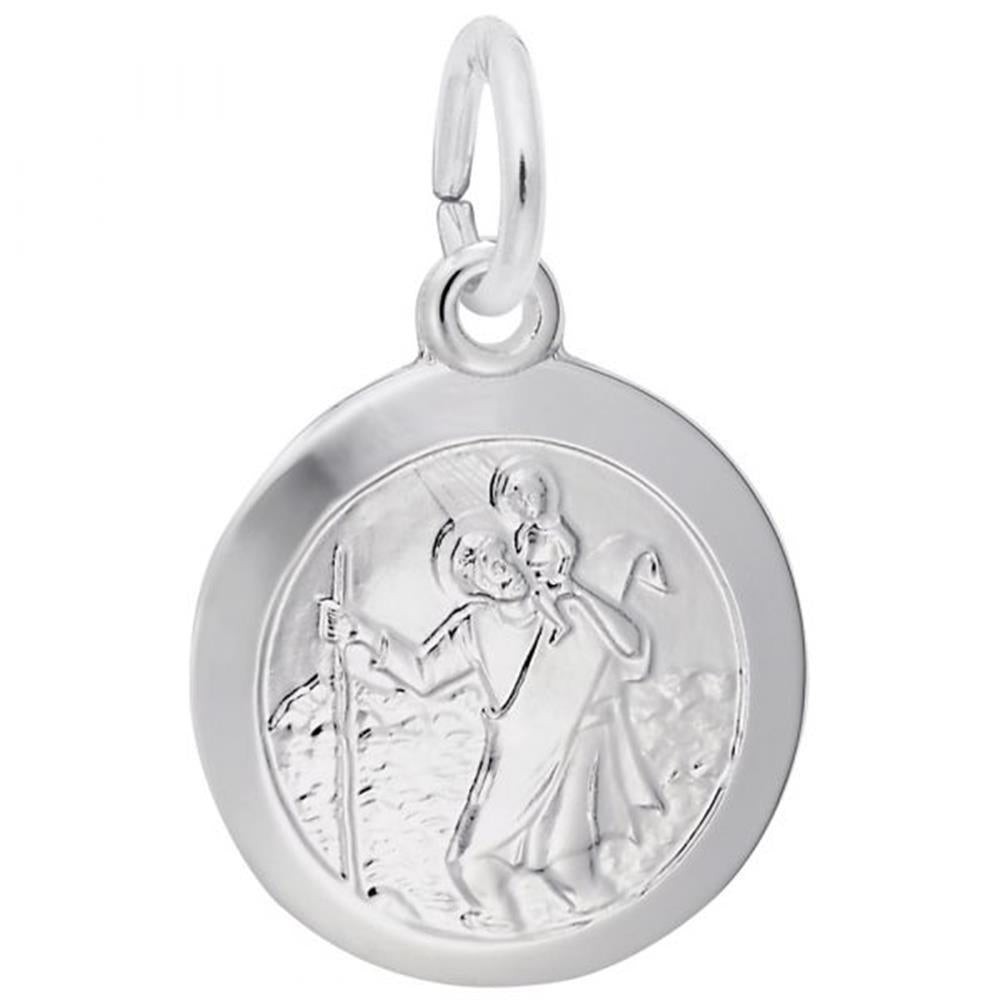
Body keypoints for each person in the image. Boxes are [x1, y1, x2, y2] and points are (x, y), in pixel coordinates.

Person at [323, 506, 662, 929]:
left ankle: (597, 930)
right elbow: (424, 675)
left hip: (577, 748)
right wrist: (361, 633)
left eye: (495, 553)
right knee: (471, 866)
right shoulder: (475, 627)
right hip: (518, 761)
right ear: (473, 586)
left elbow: (633, 650)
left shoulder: (563, 605)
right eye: (478, 564)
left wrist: (575, 591)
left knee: (569, 864)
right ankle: (513, 933)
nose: (496, 566)